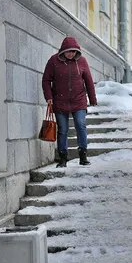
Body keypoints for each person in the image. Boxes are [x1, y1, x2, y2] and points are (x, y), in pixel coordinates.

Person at [42, 36, 97, 168]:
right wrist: (49, 97)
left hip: (78, 100)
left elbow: (88, 80)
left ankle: (83, 156)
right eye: (68, 51)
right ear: (62, 51)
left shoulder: (82, 61)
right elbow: (46, 80)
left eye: (73, 51)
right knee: (63, 130)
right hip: (60, 101)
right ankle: (63, 158)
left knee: (81, 124)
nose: (71, 54)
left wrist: (92, 98)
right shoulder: (53, 61)